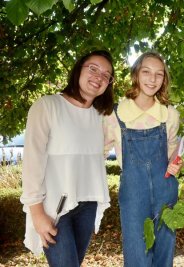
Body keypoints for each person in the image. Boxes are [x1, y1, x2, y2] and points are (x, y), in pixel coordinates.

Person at [20, 50, 115, 266]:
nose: (98, 77)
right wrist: (37, 213)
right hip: (54, 209)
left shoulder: (102, 117)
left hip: (88, 205)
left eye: (106, 75)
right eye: (93, 68)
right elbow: (32, 161)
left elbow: (100, 154)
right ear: (78, 69)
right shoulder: (47, 106)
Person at [104, 51, 183, 267]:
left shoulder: (170, 115)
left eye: (159, 74)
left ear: (164, 79)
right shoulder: (115, 114)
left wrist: (176, 164)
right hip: (133, 195)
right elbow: (98, 155)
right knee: (137, 255)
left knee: (164, 254)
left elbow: (173, 154)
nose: (152, 79)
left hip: (165, 190)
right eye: (146, 71)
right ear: (136, 74)